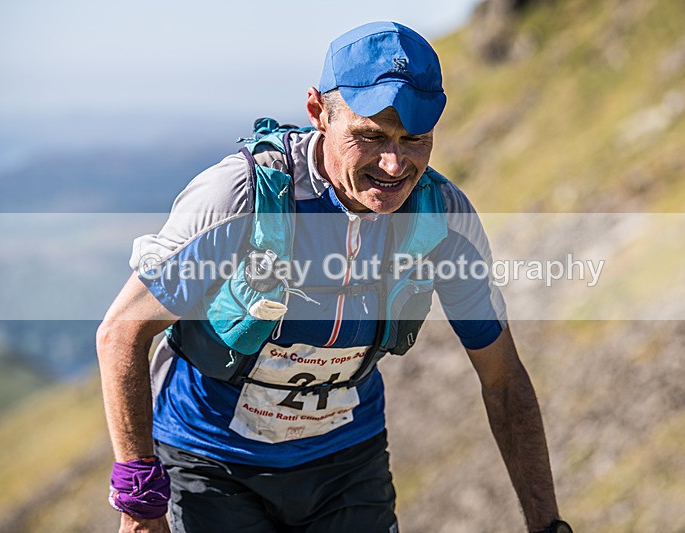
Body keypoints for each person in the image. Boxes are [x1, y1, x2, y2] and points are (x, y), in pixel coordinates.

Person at [97, 21, 571, 533]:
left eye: (415, 139)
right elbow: (122, 331)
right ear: (318, 112)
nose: (394, 164)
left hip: (347, 463)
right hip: (211, 459)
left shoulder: (443, 220)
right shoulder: (239, 198)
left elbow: (503, 379)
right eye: (370, 137)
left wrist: (548, 526)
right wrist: (140, 504)